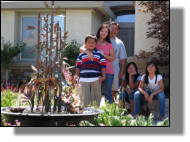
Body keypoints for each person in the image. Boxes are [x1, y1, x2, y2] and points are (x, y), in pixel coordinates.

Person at [80, 24, 115, 104]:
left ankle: (109, 115)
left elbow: (113, 58)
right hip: (95, 72)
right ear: (99, 31)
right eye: (102, 31)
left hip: (108, 71)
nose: (104, 33)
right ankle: (93, 111)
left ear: (108, 33)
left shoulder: (109, 44)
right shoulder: (93, 41)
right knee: (95, 94)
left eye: (106, 32)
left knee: (108, 93)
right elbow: (81, 48)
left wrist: (103, 55)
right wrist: (87, 52)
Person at [76, 34, 106, 107]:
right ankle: (85, 116)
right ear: (85, 44)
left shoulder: (99, 54)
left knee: (96, 101)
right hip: (83, 80)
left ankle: (95, 116)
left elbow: (103, 66)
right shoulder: (81, 55)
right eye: (89, 42)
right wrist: (77, 77)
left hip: (96, 79)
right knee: (85, 101)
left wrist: (103, 76)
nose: (91, 44)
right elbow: (78, 66)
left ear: (96, 44)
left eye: (93, 42)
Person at [109, 22, 127, 101]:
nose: (113, 30)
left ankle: (112, 109)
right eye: (112, 28)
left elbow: (123, 58)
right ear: (108, 28)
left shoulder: (119, 43)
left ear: (118, 31)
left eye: (115, 29)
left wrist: (122, 70)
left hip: (114, 69)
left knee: (113, 90)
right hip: (103, 69)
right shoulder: (102, 40)